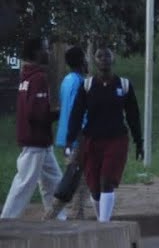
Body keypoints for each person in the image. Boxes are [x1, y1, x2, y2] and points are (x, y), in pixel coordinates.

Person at [64, 48, 142, 223]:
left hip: (116, 140)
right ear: (95, 61)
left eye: (107, 55)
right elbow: (76, 114)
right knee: (94, 187)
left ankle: (104, 225)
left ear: (113, 59)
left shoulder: (123, 85)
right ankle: (102, 219)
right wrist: (70, 139)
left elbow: (133, 116)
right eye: (100, 56)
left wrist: (139, 141)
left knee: (107, 181)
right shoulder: (87, 86)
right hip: (91, 140)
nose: (104, 59)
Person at [1, 37, 62, 219]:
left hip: (39, 141)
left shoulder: (27, 77)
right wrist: (61, 112)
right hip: (36, 140)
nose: (49, 52)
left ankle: (58, 218)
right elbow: (38, 114)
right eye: (45, 48)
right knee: (24, 183)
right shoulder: (38, 78)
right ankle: (6, 221)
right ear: (36, 53)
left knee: (54, 182)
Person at [48, 46, 93, 220]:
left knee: (75, 180)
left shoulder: (67, 80)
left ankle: (72, 215)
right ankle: (53, 217)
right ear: (82, 61)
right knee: (75, 184)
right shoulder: (79, 83)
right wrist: (82, 139)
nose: (87, 61)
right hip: (77, 140)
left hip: (66, 138)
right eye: (85, 58)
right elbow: (78, 113)